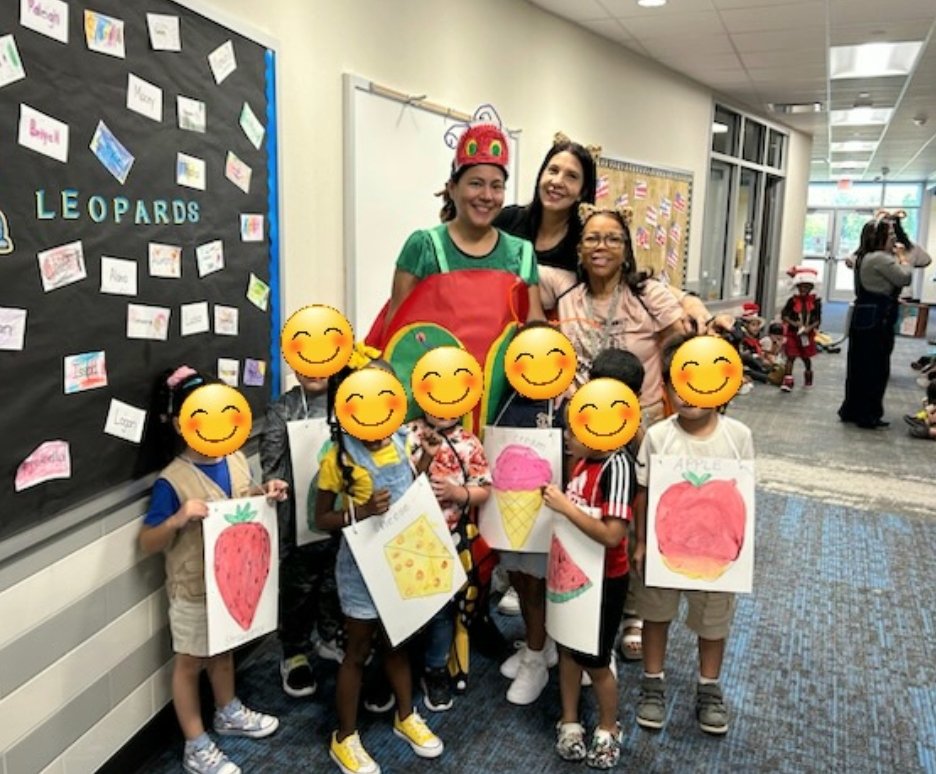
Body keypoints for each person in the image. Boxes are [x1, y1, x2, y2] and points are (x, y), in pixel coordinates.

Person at [541, 205, 685, 662]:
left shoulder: (649, 295)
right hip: (583, 426)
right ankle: (579, 594)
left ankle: (634, 614)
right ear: (579, 249)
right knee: (585, 506)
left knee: (637, 515)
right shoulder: (565, 297)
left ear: (626, 251)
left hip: (640, 423)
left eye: (612, 239)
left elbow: (680, 343)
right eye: (592, 239)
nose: (601, 247)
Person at [139, 366, 287, 774]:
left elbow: (242, 500)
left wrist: (265, 493)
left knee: (223, 652)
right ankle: (195, 744)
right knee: (189, 662)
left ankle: (227, 710)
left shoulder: (234, 456)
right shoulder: (173, 481)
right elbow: (148, 541)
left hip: (231, 583)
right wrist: (177, 520)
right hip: (192, 589)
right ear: (180, 422)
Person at [315, 358, 443, 774]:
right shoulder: (337, 454)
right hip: (359, 569)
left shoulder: (403, 439)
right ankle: (344, 737)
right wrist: (363, 510)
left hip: (400, 561)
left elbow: (410, 487)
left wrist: (426, 459)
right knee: (357, 650)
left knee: (397, 643)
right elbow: (321, 519)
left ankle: (405, 715)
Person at [632, 336, 754, 736]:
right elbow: (644, 491)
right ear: (666, 387)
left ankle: (709, 687)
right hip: (665, 548)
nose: (688, 394)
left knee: (713, 622)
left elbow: (742, 496)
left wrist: (739, 549)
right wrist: (642, 542)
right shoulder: (658, 435)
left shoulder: (738, 436)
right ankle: (653, 683)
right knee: (656, 615)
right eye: (678, 382)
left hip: (716, 555)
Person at [542, 347, 643, 769]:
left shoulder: (617, 467)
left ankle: (608, 726)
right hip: (571, 575)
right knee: (566, 647)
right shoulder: (584, 463)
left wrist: (565, 508)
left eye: (574, 431)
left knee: (596, 660)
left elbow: (612, 534)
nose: (566, 438)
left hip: (605, 580)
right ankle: (569, 720)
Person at [383, 121, 545, 331]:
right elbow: (397, 331)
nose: (487, 196)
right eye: (475, 183)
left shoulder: (521, 254)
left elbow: (535, 333)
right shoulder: (424, 247)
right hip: (434, 364)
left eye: (496, 186)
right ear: (452, 188)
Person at [490, 321, 566, 705]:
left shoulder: (567, 404)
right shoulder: (505, 399)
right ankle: (542, 642)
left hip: (548, 516)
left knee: (537, 586)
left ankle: (535, 659)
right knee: (518, 578)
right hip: (508, 512)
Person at [259, 369, 343, 699]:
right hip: (297, 520)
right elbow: (272, 461)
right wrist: (272, 484)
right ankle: (294, 651)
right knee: (298, 587)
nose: (314, 368)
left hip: (340, 512)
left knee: (335, 580)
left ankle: (329, 635)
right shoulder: (284, 409)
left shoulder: (347, 402)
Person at [407, 407, 492, 711]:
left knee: (444, 608)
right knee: (403, 607)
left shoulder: (468, 442)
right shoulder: (406, 434)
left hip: (450, 536)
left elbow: (485, 489)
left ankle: (435, 668)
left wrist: (459, 493)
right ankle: (394, 669)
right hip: (408, 537)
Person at [839, 214, 932, 428]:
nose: (893, 238)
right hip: (877, 316)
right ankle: (868, 413)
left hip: (865, 312)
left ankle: (853, 409)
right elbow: (904, 277)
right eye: (889, 234)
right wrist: (903, 257)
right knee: (876, 366)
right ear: (878, 237)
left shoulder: (864, 256)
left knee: (860, 364)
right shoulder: (881, 258)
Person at [780, 266, 822, 392]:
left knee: (805, 357)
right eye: (801, 286)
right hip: (793, 333)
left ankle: (808, 374)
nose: (803, 289)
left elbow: (818, 320)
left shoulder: (816, 302)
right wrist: (794, 324)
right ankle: (788, 381)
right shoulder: (792, 301)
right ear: (797, 287)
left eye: (807, 287)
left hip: (807, 335)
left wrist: (808, 328)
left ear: (811, 288)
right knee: (790, 356)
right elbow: (784, 315)